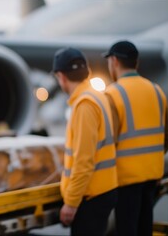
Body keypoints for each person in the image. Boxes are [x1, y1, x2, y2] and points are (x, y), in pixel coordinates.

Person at [102, 40, 168, 236]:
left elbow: (107, 140)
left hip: (125, 179)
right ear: (136, 62)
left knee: (126, 229)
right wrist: (151, 158)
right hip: (152, 175)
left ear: (115, 61)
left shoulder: (112, 93)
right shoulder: (156, 90)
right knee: (144, 228)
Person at [52, 47, 118, 236]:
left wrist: (71, 203)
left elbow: (84, 160)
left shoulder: (84, 105)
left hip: (92, 195)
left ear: (61, 76)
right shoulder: (96, 95)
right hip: (103, 189)